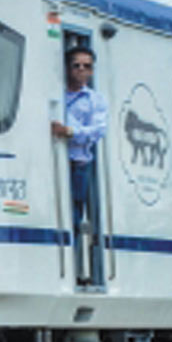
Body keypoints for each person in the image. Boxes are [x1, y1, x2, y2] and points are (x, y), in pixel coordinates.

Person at [50, 46, 108, 231]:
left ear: (92, 71)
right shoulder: (54, 93)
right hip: (50, 159)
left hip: (77, 165)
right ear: (67, 67)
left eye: (87, 66)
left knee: (73, 214)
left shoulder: (95, 100)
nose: (81, 69)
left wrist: (70, 132)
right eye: (76, 65)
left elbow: (98, 130)